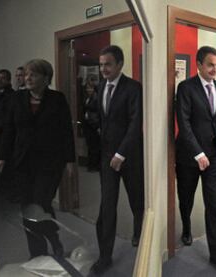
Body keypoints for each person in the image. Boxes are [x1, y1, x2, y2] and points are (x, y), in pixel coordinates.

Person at [0, 59, 75, 258]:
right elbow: (9, 130)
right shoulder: (17, 99)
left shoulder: (57, 99)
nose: (28, 78)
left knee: (40, 204)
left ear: (46, 78)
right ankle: (37, 253)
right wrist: (2, 157)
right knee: (27, 208)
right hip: (22, 163)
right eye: (27, 74)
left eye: (34, 74)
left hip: (50, 164)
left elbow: (66, 131)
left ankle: (54, 240)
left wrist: (70, 160)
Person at [175, 46, 216, 272]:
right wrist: (198, 152)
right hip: (189, 155)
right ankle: (186, 227)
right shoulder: (185, 87)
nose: (215, 69)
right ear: (199, 64)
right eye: (210, 65)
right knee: (186, 197)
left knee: (213, 203)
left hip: (214, 156)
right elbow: (184, 122)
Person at [91, 45, 144, 275]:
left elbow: (135, 123)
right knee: (107, 206)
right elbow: (103, 117)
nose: (103, 69)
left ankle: (139, 235)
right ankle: (105, 256)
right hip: (106, 157)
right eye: (101, 64)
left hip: (129, 157)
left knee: (137, 203)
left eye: (108, 64)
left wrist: (120, 154)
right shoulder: (101, 85)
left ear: (120, 64)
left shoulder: (133, 88)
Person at [82, 75, 100, 172]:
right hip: (88, 125)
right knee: (90, 146)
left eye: (90, 88)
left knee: (94, 147)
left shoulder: (96, 98)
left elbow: (96, 111)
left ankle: (94, 166)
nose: (89, 90)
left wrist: (97, 125)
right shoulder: (86, 98)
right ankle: (91, 165)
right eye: (87, 88)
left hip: (94, 125)